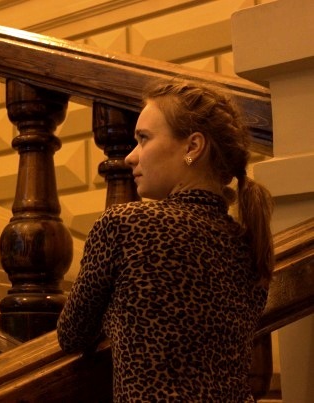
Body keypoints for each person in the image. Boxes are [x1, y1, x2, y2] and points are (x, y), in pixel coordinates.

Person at [57, 79, 274, 402]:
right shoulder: (249, 245)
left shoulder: (126, 225)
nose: (130, 157)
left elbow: (72, 334)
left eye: (143, 139)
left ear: (192, 147)